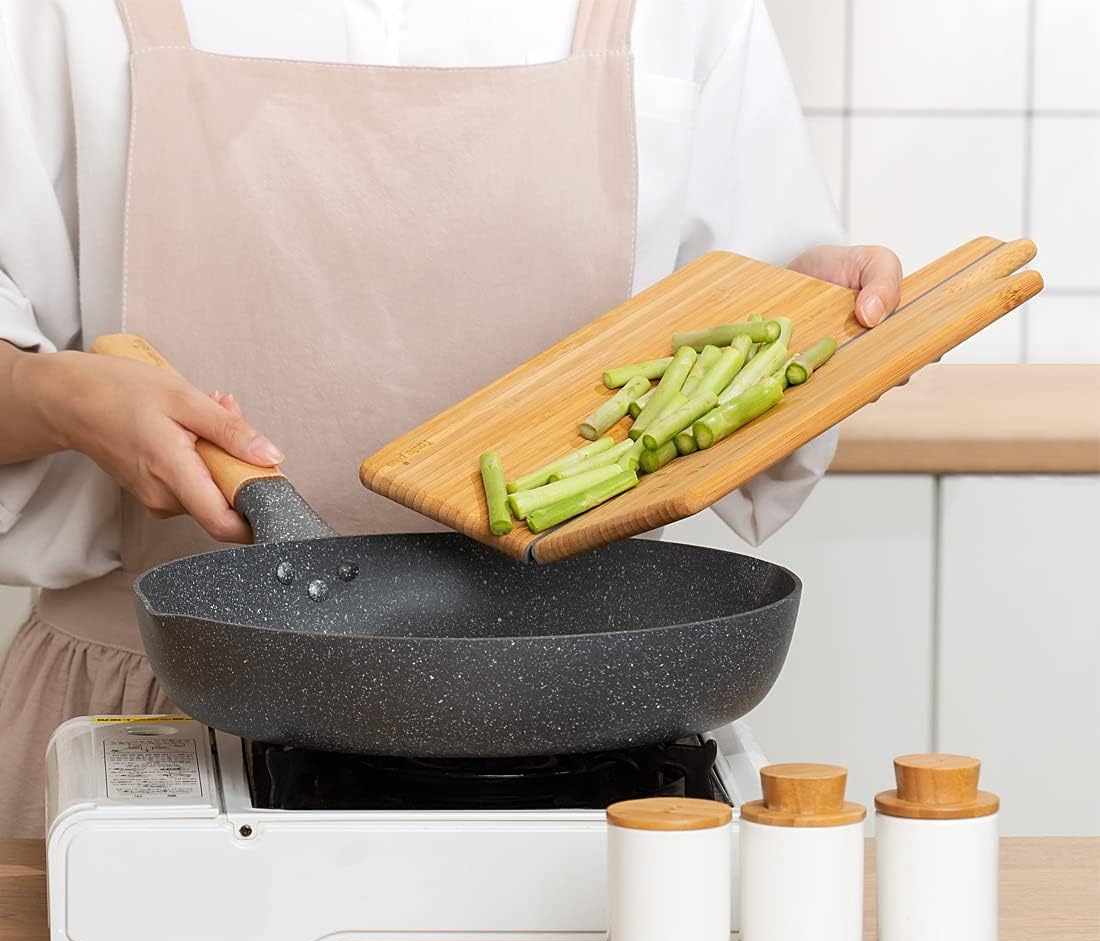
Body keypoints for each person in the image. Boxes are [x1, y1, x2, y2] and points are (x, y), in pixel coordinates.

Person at [0, 0, 902, 837]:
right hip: (156, 709)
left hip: (599, 721)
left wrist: (797, 325)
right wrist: (59, 397)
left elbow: (751, 317)